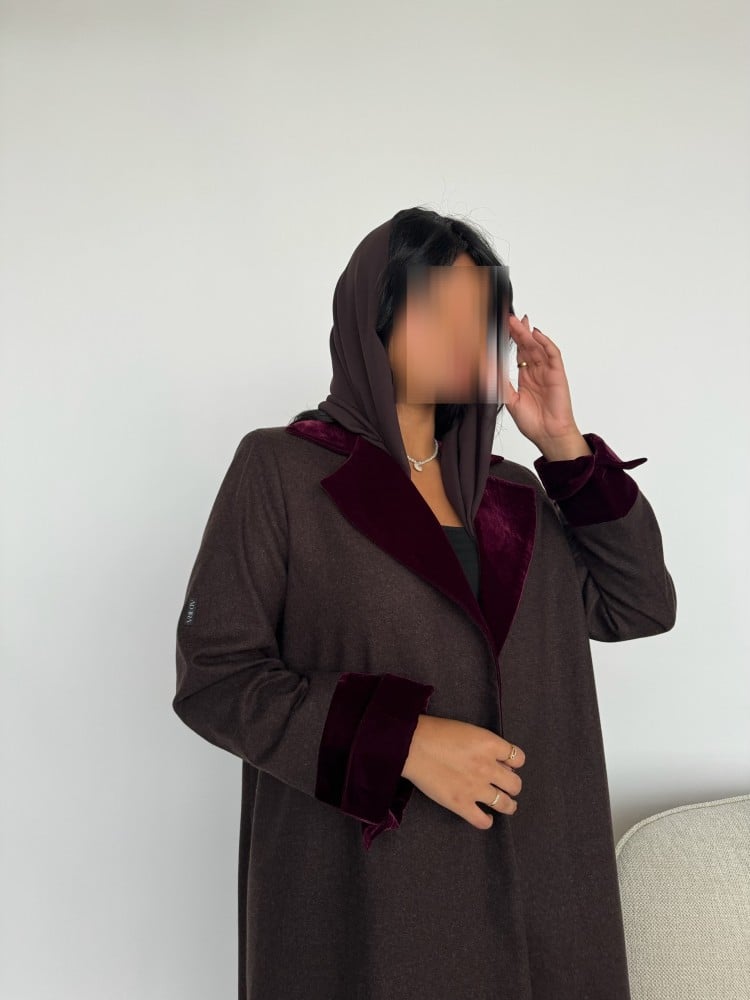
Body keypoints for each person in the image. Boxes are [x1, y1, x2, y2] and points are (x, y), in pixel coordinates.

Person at [173, 206, 677, 1000]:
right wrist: (397, 741)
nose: (461, 331)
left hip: (542, 907)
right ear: (371, 317)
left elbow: (639, 603)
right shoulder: (283, 471)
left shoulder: (515, 495)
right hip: (371, 913)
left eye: (479, 310)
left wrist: (564, 445)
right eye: (433, 305)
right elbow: (218, 677)